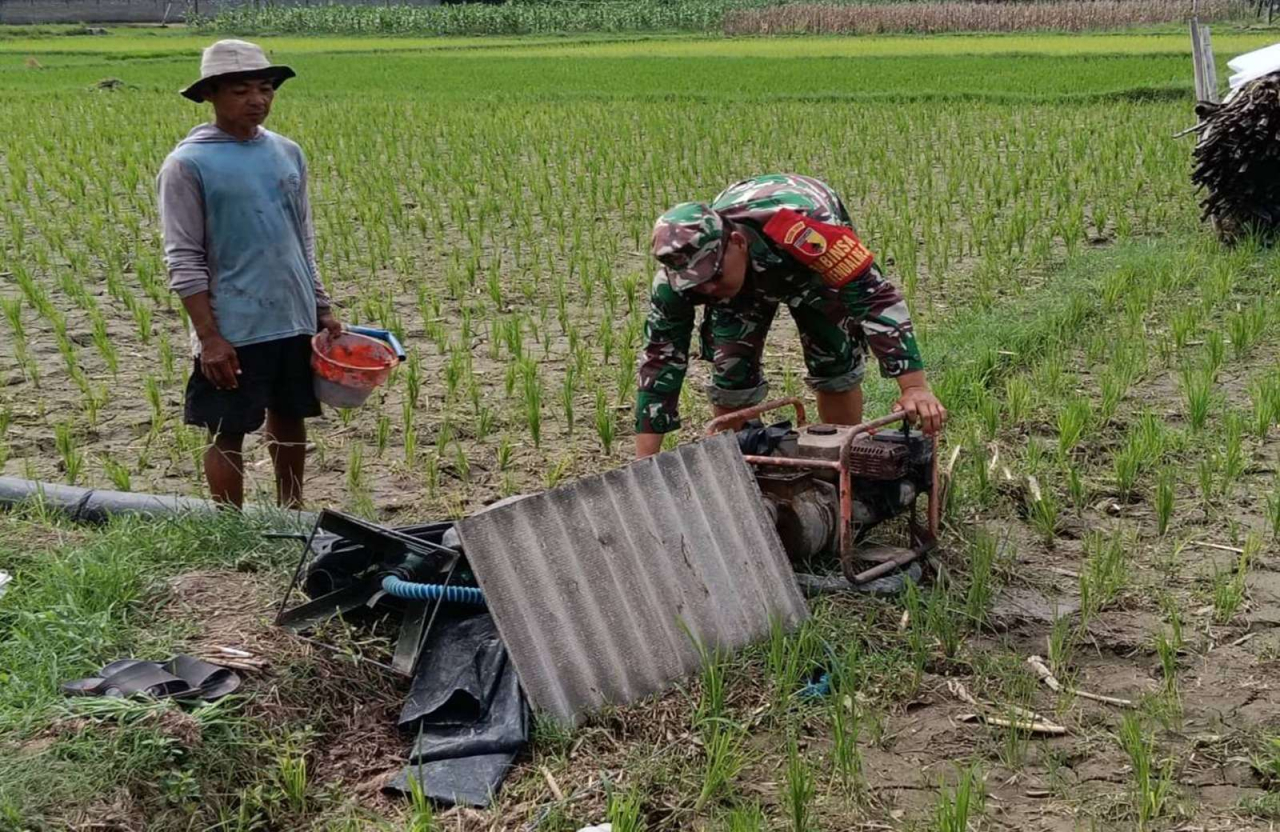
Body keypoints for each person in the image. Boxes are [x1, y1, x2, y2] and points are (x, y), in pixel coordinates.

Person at [634, 173, 945, 458]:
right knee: (731, 371)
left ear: (738, 244)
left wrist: (913, 387)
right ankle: (748, 471)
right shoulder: (679, 282)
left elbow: (873, 296)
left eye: (713, 277)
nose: (708, 290)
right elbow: (660, 361)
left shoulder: (805, 228)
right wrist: (645, 467)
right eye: (697, 286)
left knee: (833, 361)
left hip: (810, 269)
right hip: (744, 280)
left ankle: (842, 464)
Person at [158, 39, 341, 508]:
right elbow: (183, 258)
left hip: (292, 314)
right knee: (227, 428)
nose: (257, 100)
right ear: (210, 95)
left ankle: (292, 510)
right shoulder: (187, 164)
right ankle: (230, 526)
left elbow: (301, 237)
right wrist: (210, 337)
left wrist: (320, 306)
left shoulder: (286, 152)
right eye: (241, 91)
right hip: (234, 326)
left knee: (290, 415)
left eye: (264, 88)